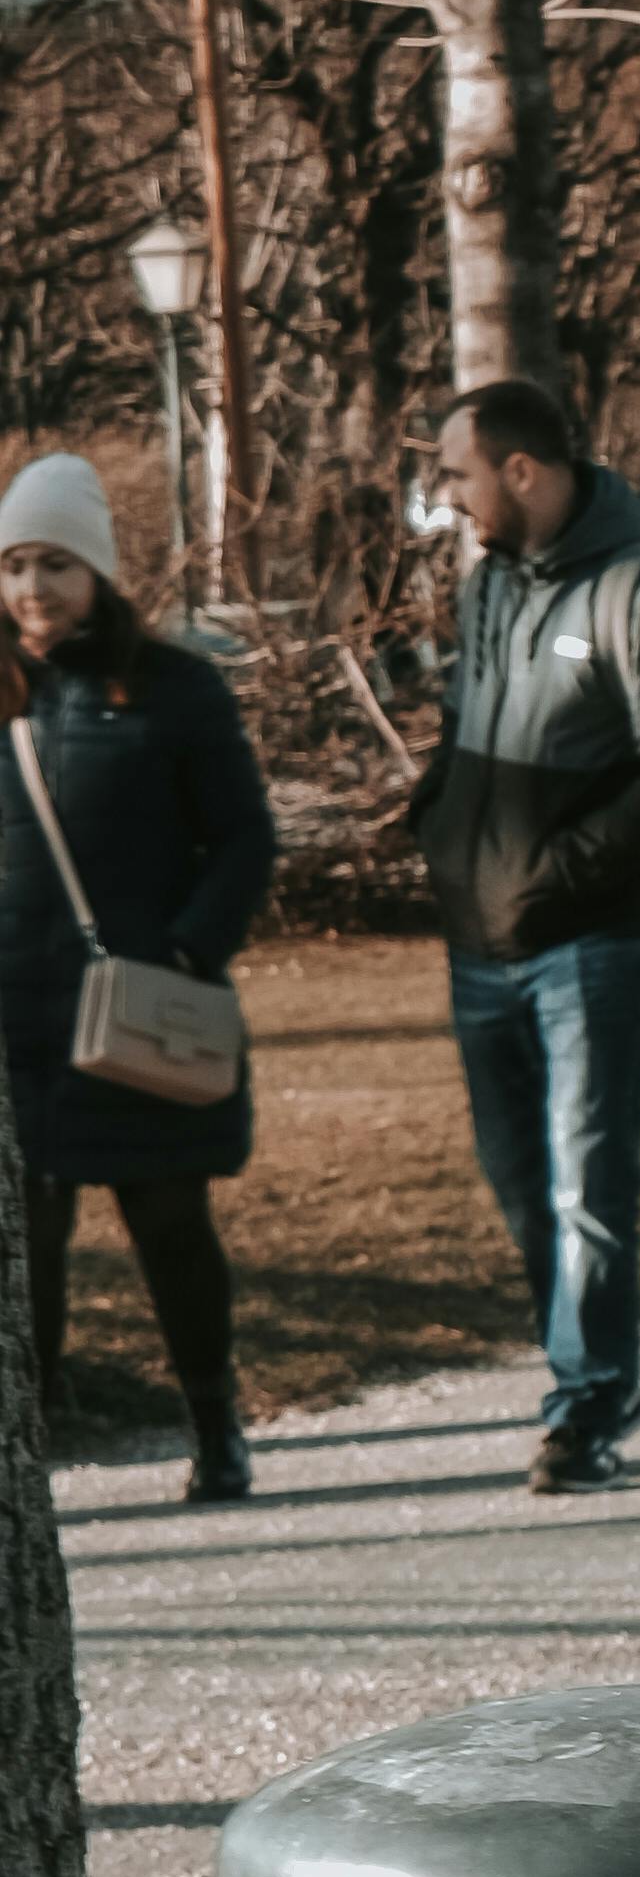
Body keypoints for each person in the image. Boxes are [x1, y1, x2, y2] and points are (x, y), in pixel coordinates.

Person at [417, 379, 640, 1493]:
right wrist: (438, 824)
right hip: (480, 945)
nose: (446, 496)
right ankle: (586, 1372)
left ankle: (587, 1402)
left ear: (520, 471)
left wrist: (563, 874)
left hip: (588, 945)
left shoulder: (637, 593)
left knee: (586, 1181)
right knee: (520, 1182)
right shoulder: (487, 591)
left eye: (458, 473)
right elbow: (467, 734)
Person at [0, 450, 274, 1500]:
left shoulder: (172, 689)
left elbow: (243, 840)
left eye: (55, 565)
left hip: (137, 1015)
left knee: (168, 1224)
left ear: (98, 572)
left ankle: (215, 1422)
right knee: (29, 1249)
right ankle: (35, 1449)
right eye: (15, 565)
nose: (33, 589)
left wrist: (190, 952)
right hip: (18, 1026)